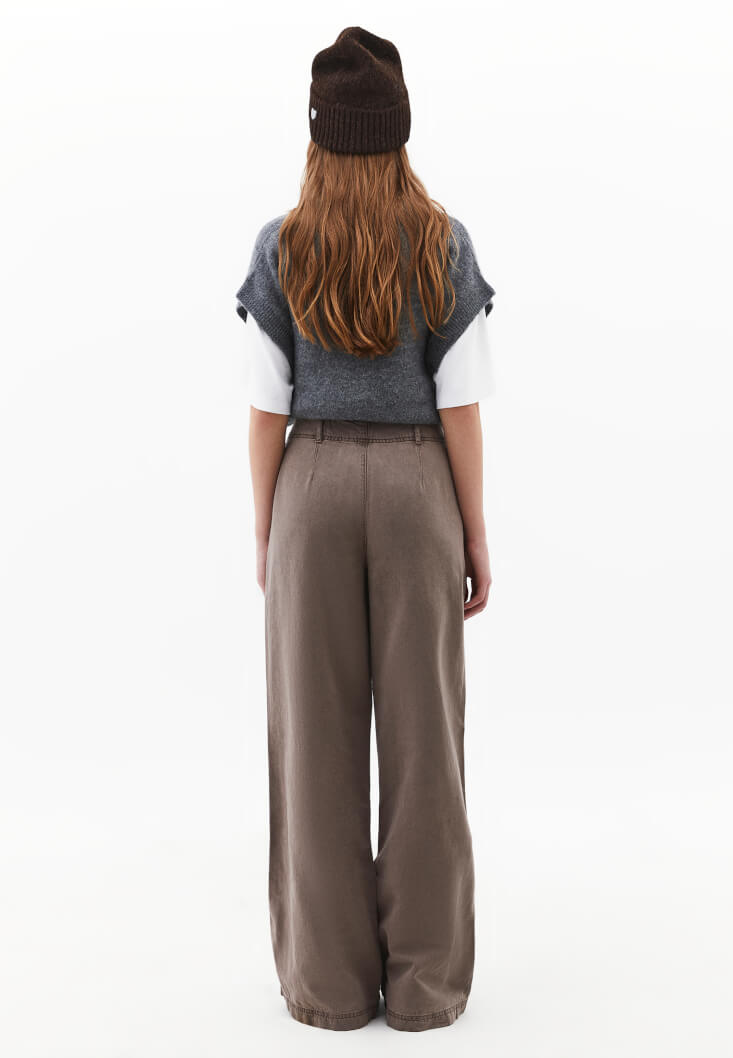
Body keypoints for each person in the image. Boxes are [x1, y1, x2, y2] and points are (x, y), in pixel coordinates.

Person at [234, 26, 495, 1032]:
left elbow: (266, 408)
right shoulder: (441, 242)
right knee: (426, 739)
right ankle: (425, 987)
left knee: (314, 736)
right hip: (419, 486)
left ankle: (331, 985)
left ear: (317, 133)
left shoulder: (283, 246)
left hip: (310, 486)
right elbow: (459, 405)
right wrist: (473, 532)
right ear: (400, 131)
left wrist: (269, 528)